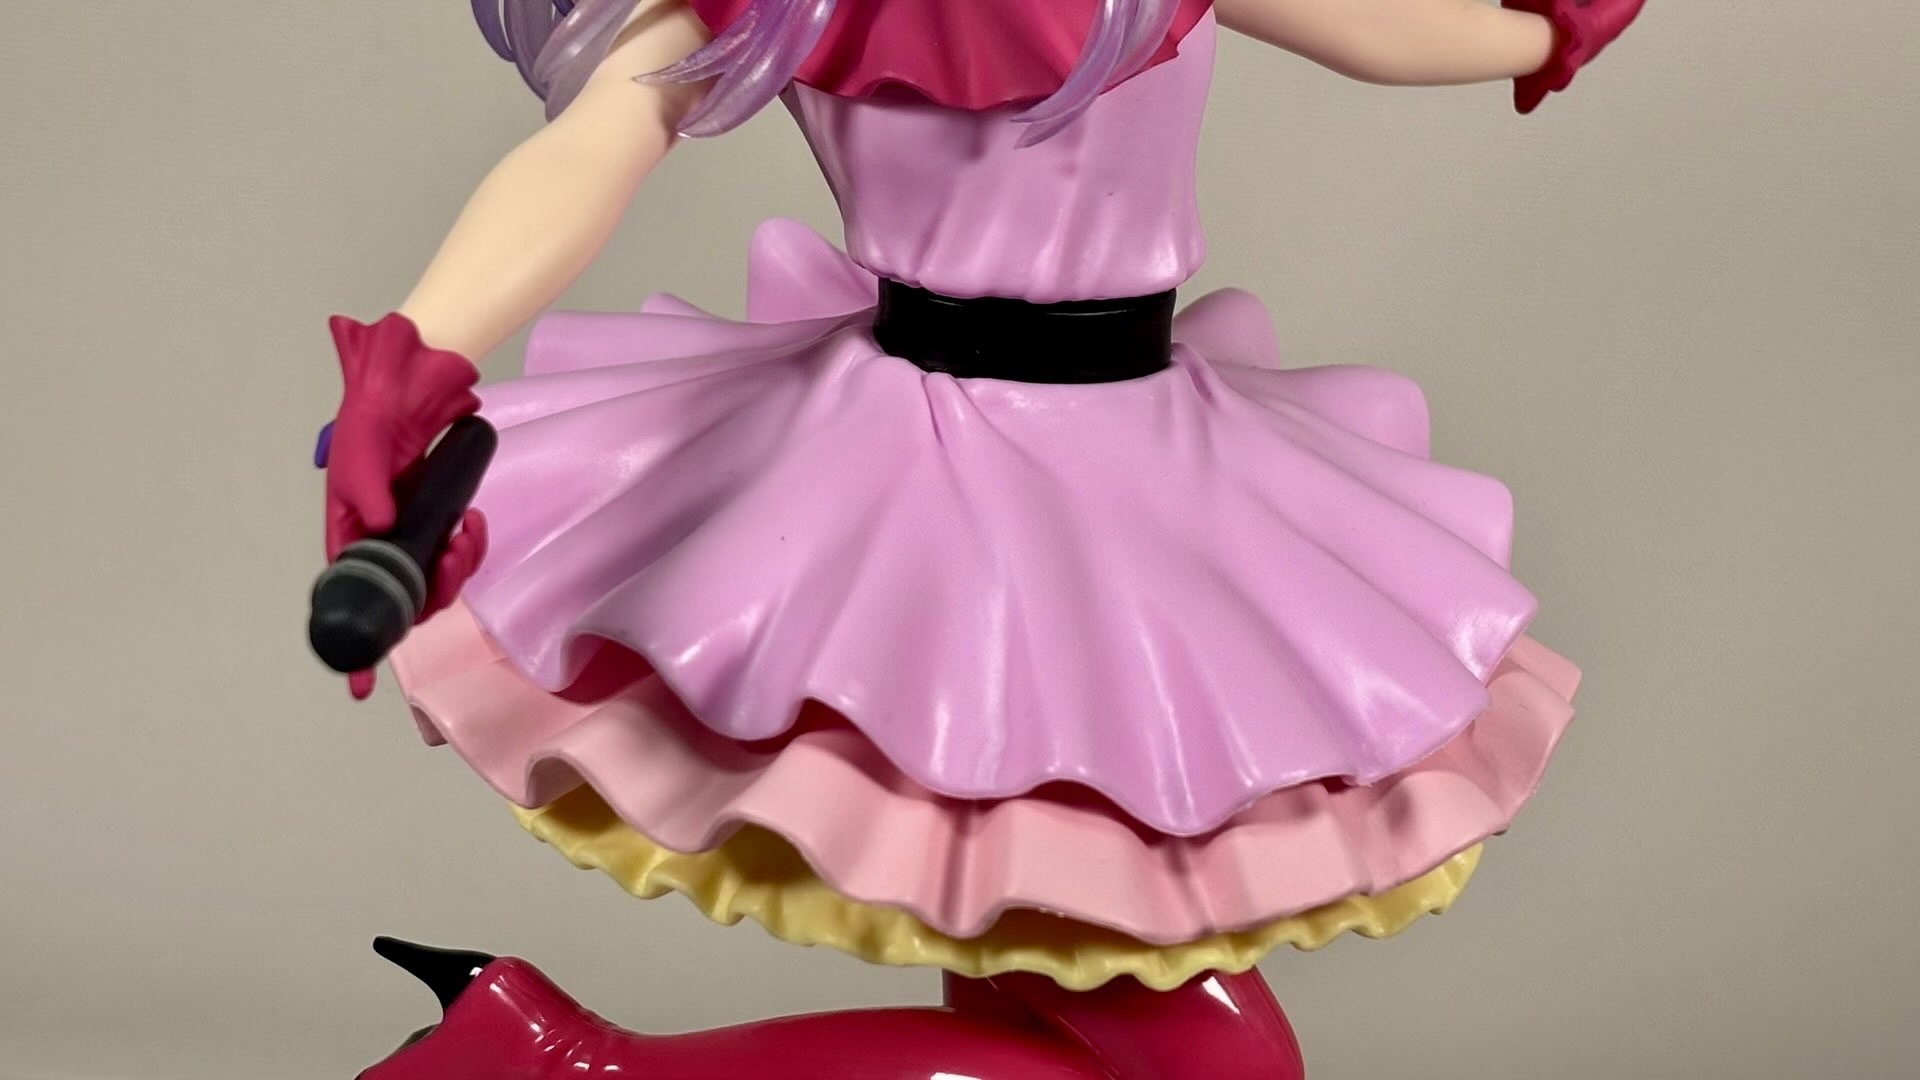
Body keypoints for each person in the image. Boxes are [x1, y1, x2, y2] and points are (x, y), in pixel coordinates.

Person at [324, 1, 1643, 1076]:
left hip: (1141, 451)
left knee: (1044, 971)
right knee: (1217, 1063)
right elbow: (589, 150)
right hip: (932, 478)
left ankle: (540, 1060)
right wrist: (413, 360)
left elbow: (1384, 27)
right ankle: (562, 1065)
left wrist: (1548, 29)